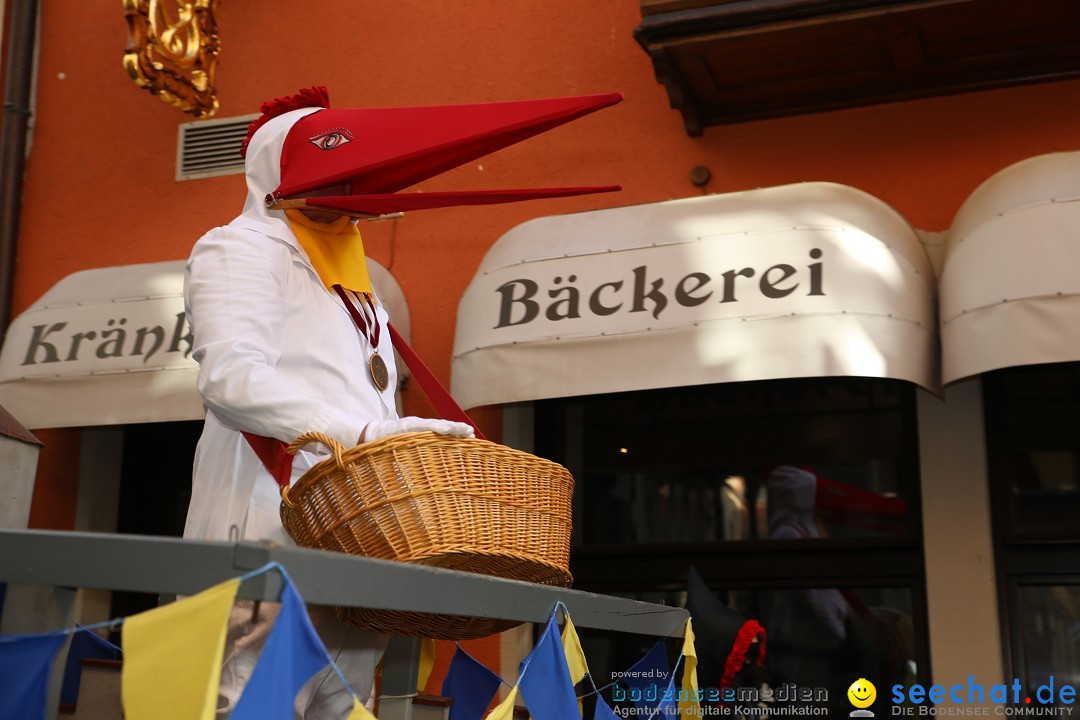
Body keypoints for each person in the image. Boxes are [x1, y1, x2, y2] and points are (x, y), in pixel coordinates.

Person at [183, 87, 474, 717]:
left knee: (343, 705)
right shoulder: (240, 248)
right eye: (335, 170)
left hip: (354, 535)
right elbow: (231, 378)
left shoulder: (356, 278)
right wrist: (371, 437)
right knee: (246, 700)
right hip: (267, 527)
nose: (350, 188)